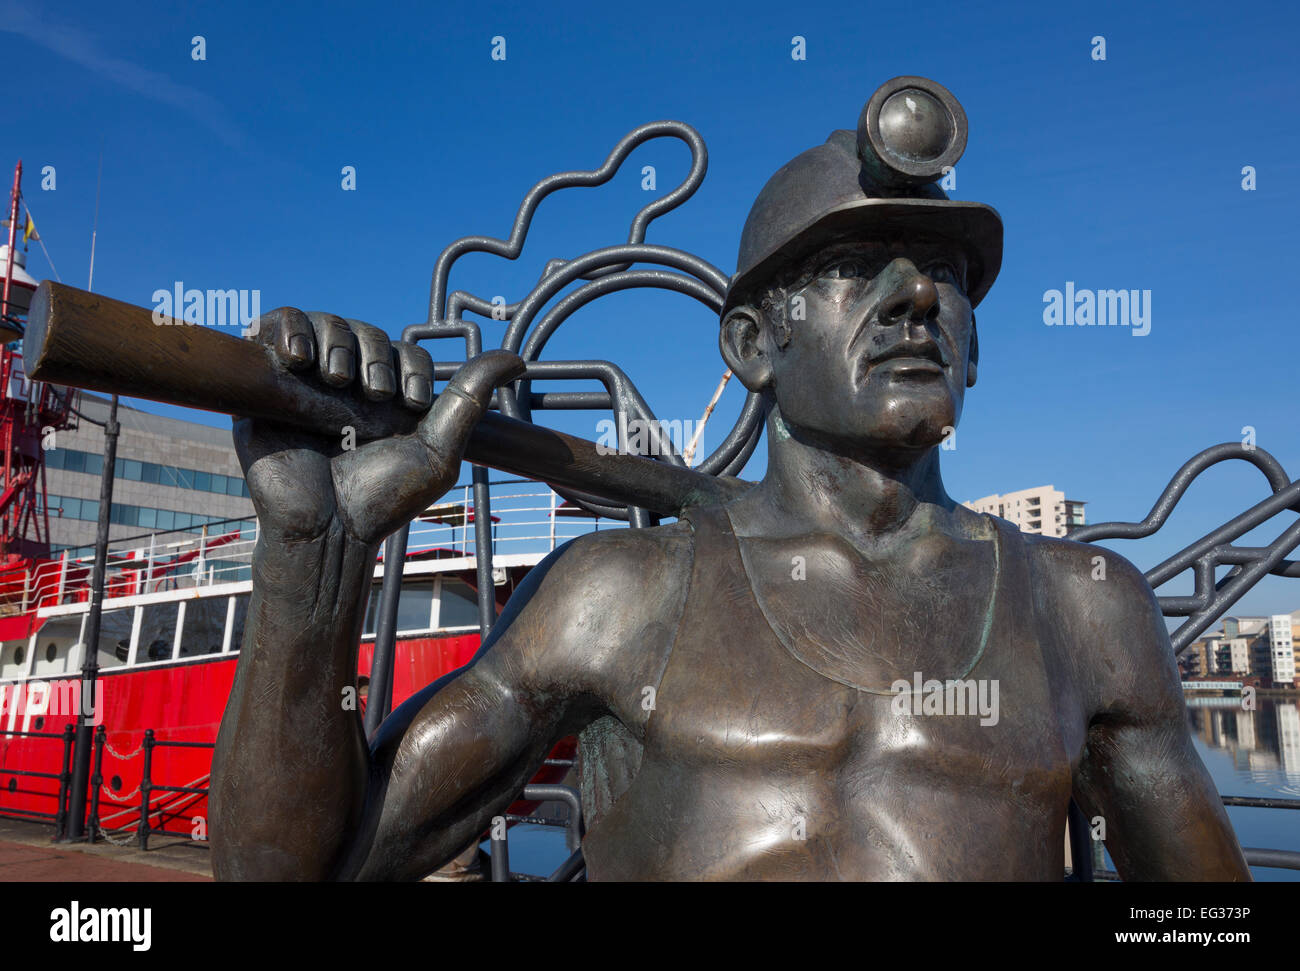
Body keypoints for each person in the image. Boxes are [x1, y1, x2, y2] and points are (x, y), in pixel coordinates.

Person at [210, 79, 1249, 881]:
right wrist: (313, 562)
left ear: (975, 348)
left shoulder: (1085, 610)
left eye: (943, 273)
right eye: (856, 267)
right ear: (753, 344)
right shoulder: (617, 595)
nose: (913, 298)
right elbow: (290, 872)